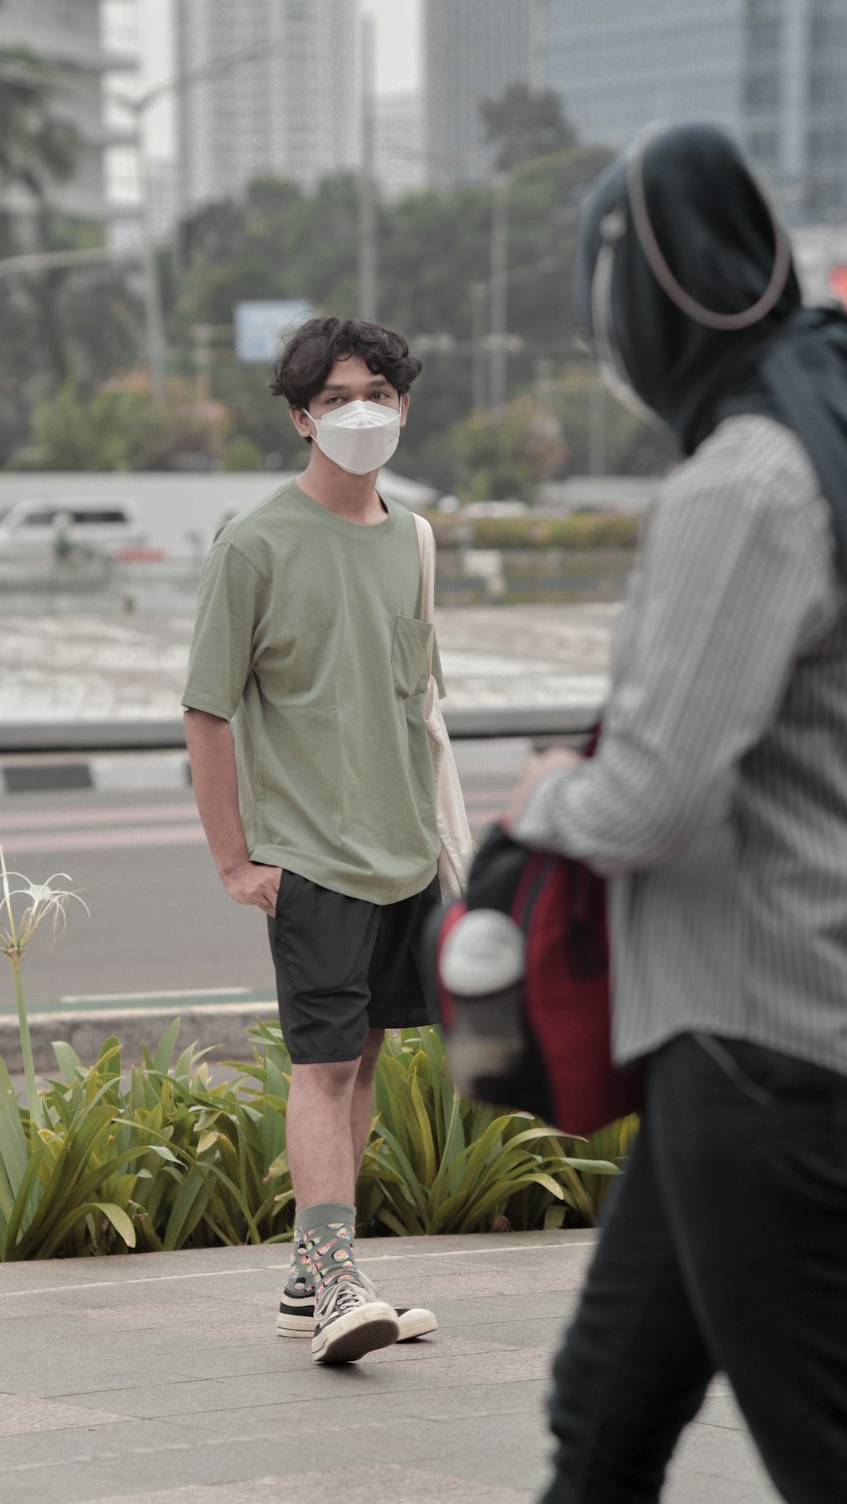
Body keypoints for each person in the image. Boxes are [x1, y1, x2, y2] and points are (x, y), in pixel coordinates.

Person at [504, 123, 847, 1503]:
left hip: (761, 1048)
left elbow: (648, 799)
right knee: (601, 1415)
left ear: (638, 303)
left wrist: (545, 798)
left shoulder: (745, 480)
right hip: (762, 1035)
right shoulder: (824, 413)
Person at [182, 315, 447, 1365]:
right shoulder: (253, 543)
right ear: (299, 416)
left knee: (367, 1053)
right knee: (322, 1066)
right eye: (333, 399)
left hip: (405, 849)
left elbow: (416, 702)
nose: (358, 414)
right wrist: (236, 861)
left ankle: (311, 1283)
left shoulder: (413, 540)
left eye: (376, 392)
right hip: (312, 855)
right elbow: (209, 709)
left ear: (405, 403)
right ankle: (337, 1278)